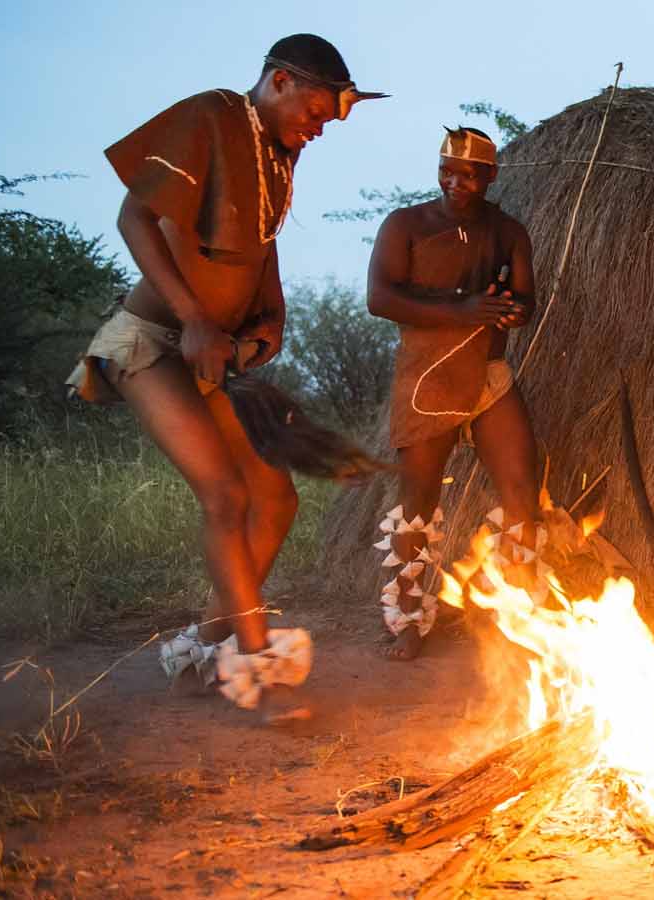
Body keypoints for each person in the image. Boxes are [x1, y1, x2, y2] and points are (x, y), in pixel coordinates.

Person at [66, 34, 385, 718]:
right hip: (153, 344)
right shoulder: (212, 115)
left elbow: (260, 248)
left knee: (276, 502)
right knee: (225, 497)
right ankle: (258, 670)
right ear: (277, 81)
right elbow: (133, 215)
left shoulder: (279, 155)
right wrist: (194, 319)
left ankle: (201, 646)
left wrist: (268, 318)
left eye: (329, 121)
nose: (318, 129)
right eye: (315, 112)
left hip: (213, 355)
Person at [366, 127, 538, 661]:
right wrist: (462, 309)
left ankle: (523, 613)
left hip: (487, 374)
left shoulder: (508, 231)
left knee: (522, 487)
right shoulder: (406, 225)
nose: (454, 182)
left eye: (467, 174)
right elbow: (379, 298)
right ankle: (409, 619)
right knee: (417, 502)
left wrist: (507, 308)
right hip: (427, 377)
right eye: (446, 170)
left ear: (490, 176)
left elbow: (525, 303)